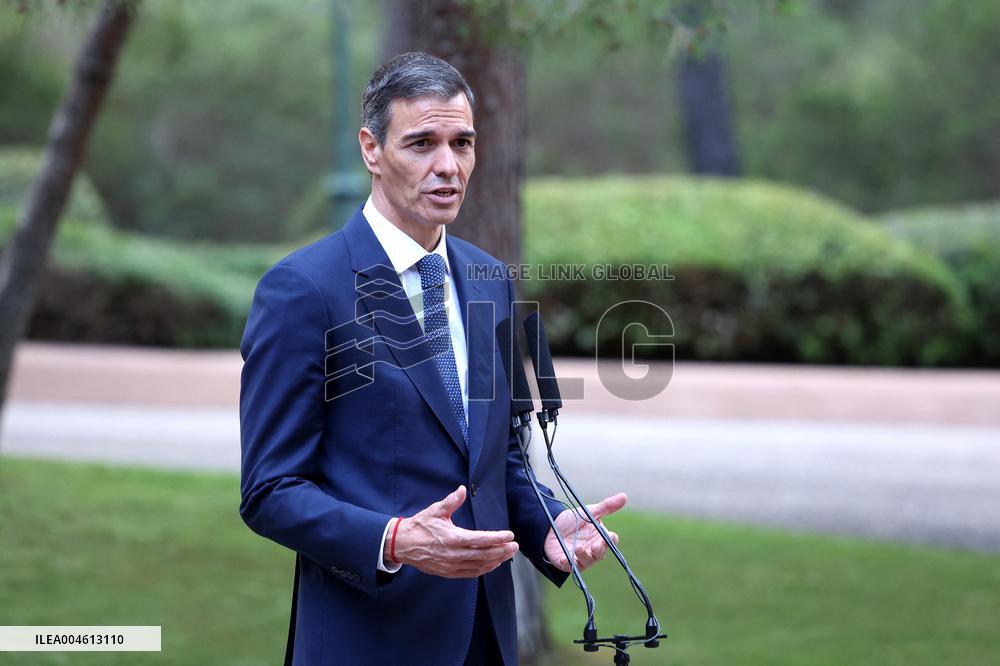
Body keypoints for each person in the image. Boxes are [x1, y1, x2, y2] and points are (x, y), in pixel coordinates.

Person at [239, 51, 627, 666]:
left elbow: (492, 459)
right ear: (371, 149)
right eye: (421, 143)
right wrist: (394, 540)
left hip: (487, 640)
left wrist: (549, 523)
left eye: (462, 143)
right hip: (365, 641)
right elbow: (269, 490)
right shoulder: (304, 290)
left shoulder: (490, 279)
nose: (448, 166)